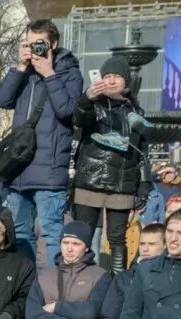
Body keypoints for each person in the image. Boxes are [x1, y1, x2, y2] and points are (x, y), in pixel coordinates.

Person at [0, 19, 83, 267]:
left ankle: (52, 289)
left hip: (49, 169)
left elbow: (67, 110)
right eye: (29, 44)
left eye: (39, 44)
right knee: (20, 234)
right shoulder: (25, 74)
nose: (34, 50)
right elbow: (2, 101)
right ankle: (28, 290)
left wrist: (50, 74)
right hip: (18, 168)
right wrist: (19, 67)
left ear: (53, 44)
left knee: (51, 234)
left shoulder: (70, 73)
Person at [70, 55, 148, 272]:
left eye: (117, 76)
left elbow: (143, 152)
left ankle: (118, 284)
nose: (112, 81)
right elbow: (78, 119)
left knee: (117, 238)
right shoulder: (93, 105)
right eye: (107, 76)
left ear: (126, 81)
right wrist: (87, 99)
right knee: (82, 234)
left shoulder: (136, 112)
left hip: (122, 184)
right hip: (89, 180)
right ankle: (80, 279)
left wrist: (144, 186)